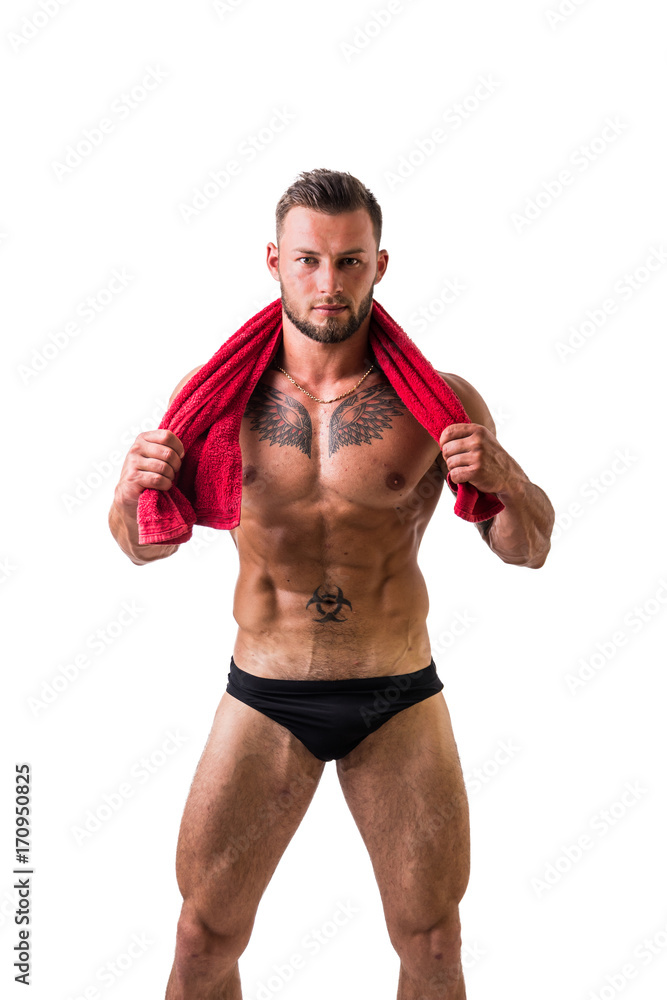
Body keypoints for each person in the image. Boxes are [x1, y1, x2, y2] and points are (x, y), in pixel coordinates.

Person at [109, 168, 554, 999]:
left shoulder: (440, 404)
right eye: (309, 260)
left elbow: (523, 548)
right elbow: (143, 548)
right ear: (273, 261)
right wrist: (129, 487)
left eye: (350, 262)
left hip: (397, 694)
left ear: (379, 266)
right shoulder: (215, 403)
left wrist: (510, 480)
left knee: (431, 941)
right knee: (202, 936)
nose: (328, 282)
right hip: (265, 692)